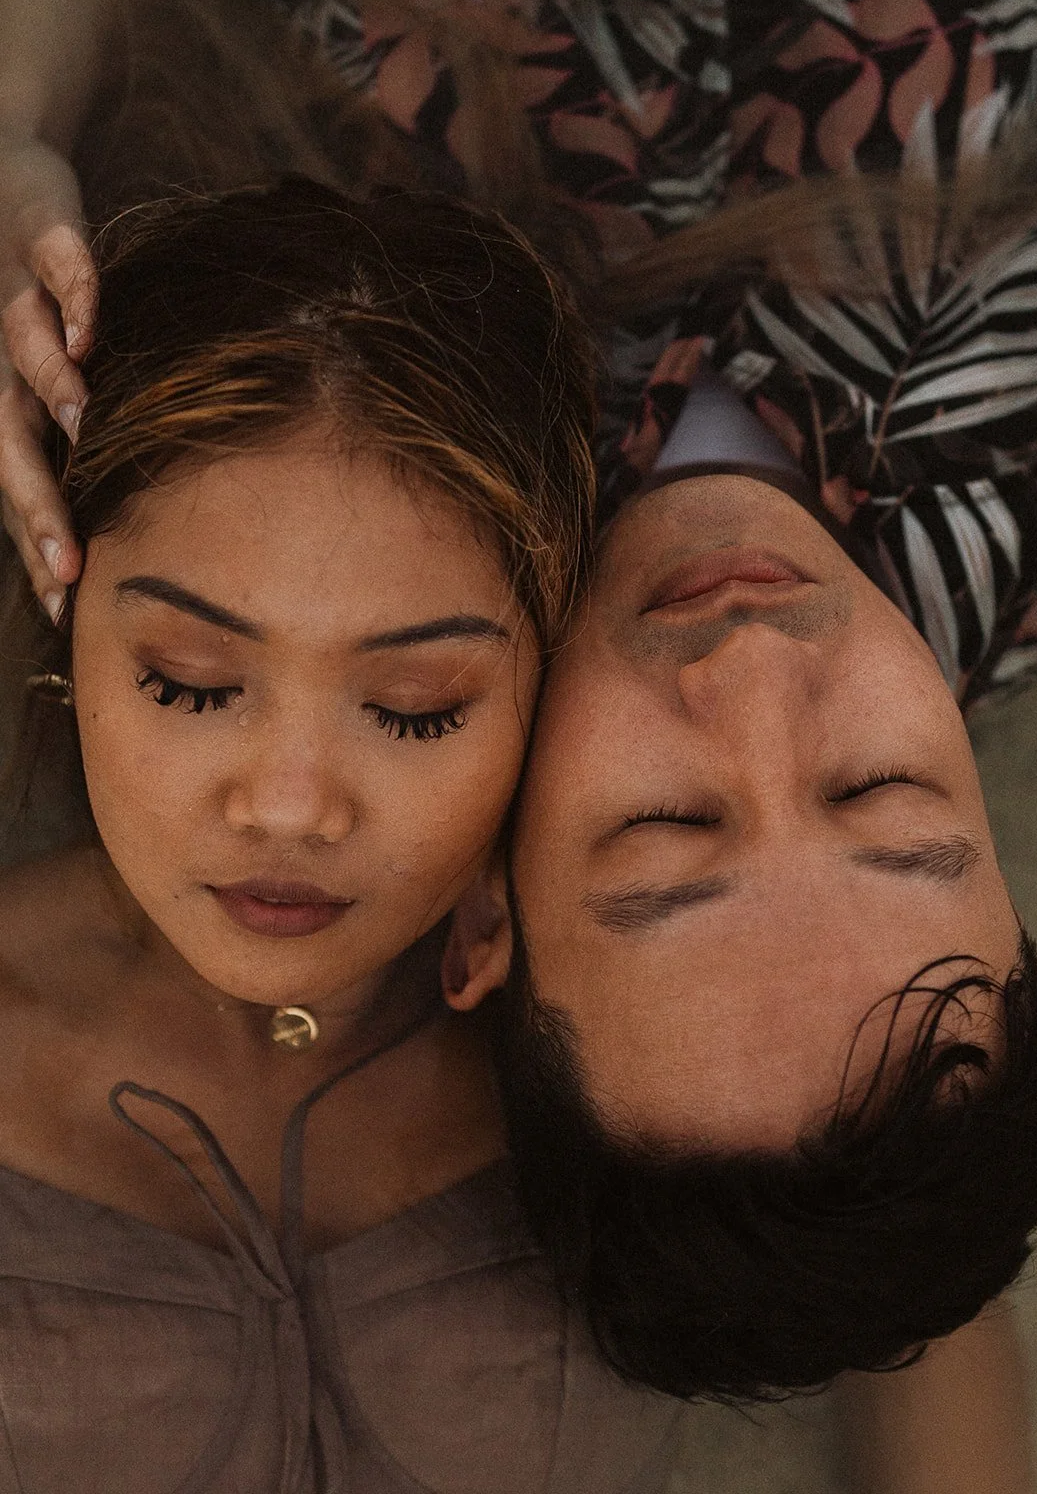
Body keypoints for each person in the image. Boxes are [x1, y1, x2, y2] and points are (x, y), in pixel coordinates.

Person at [0, 0, 1037, 1491]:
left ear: (486, 910)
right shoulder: (1028, 506)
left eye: (664, 825)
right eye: (878, 790)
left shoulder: (342, 410)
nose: (751, 667)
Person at [0, 175, 697, 1491]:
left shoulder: (652, 1020)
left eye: (416, 708)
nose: (289, 806)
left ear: (548, 687)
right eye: (189, 684)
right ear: (66, 617)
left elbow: (911, 1288)